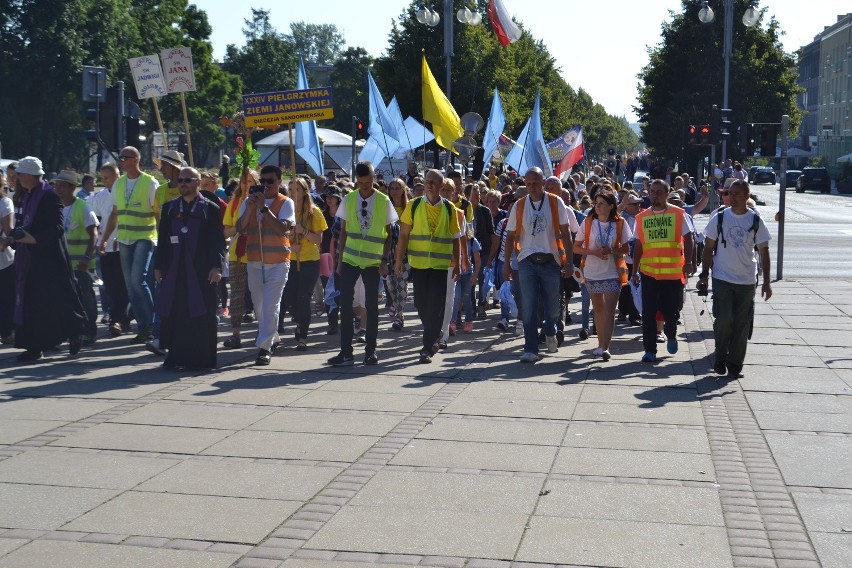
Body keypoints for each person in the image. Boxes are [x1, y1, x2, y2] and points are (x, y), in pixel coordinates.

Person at [1, 157, 85, 361]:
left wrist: (35, 239)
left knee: (60, 299)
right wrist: (13, 238)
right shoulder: (28, 195)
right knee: (32, 302)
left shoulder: (49, 196)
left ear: (30, 175)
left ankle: (75, 331)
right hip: (30, 258)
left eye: (20, 174)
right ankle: (34, 346)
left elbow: (57, 228)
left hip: (50, 257)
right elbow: (26, 224)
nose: (18, 177)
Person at [698, 179, 772, 378]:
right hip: (722, 277)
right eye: (730, 194)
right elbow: (708, 248)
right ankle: (720, 356)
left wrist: (766, 282)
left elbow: (764, 252)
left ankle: (735, 364)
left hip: (747, 280)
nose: (733, 197)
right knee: (723, 320)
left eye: (737, 194)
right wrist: (704, 275)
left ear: (747, 197)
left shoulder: (755, 220)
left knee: (741, 324)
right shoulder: (719, 218)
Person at [154, 167, 226, 370]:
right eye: (180, 180)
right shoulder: (169, 208)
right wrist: (159, 266)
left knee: (201, 313)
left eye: (187, 180)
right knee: (175, 313)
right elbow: (163, 241)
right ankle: (175, 356)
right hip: (175, 269)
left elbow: (217, 242)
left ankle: (201, 359)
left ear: (198, 182)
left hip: (201, 270)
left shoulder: (209, 209)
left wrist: (216, 267)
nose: (182, 183)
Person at [328, 161, 396, 367]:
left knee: (372, 307)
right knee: (345, 306)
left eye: (368, 183)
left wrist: (385, 260)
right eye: (360, 183)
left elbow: (390, 234)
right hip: (350, 259)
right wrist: (339, 261)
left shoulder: (384, 201)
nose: (364, 187)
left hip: (373, 262)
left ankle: (370, 351)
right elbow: (344, 232)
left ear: (374, 179)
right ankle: (346, 352)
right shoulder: (348, 199)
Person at [503, 167, 574, 363]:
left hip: (551, 261)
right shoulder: (519, 205)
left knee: (552, 306)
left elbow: (566, 234)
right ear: (524, 184)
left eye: (536, 183)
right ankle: (530, 348)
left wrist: (569, 262)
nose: (532, 187)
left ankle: (551, 329)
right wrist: (507, 264)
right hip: (526, 261)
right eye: (528, 184)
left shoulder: (555, 202)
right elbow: (509, 237)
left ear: (543, 183)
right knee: (528, 305)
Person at [395, 169, 462, 363]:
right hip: (419, 264)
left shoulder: (449, 209)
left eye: (434, 182)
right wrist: (399, 260)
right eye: (427, 181)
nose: (430, 184)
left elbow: (456, 238)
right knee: (420, 304)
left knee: (435, 304)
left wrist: (457, 263)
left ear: (442, 186)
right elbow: (404, 235)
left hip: (440, 265)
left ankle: (428, 346)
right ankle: (434, 333)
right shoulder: (414, 205)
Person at [98, 146, 159, 344]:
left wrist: (162, 241)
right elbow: (115, 214)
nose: (121, 161)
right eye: (120, 158)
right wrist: (105, 238)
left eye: (124, 158)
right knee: (130, 286)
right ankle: (143, 327)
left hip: (144, 237)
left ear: (135, 159)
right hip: (123, 239)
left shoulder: (150, 183)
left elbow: (157, 215)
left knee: (137, 280)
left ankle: (152, 323)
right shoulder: (119, 184)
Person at [235, 165, 295, 366]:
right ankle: (272, 337)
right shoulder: (248, 201)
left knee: (271, 306)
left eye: (271, 181)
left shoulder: (286, 203)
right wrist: (252, 207)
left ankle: (264, 348)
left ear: (279, 182)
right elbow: (239, 227)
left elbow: (281, 228)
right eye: (264, 181)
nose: (266, 185)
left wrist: (263, 209)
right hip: (254, 262)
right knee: (260, 307)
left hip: (278, 263)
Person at [632, 179, 695, 362]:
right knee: (648, 312)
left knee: (671, 312)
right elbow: (638, 246)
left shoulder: (677, 214)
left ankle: (671, 334)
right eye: (652, 191)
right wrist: (635, 271)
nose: (655, 195)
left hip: (672, 274)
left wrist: (689, 262)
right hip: (649, 273)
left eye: (659, 192)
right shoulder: (642, 217)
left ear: (667, 194)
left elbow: (689, 238)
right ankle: (649, 350)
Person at [573, 191, 632, 361]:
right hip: (592, 271)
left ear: (611, 206)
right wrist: (594, 252)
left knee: (610, 309)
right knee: (598, 309)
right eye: (596, 203)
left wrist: (612, 250)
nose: (597, 206)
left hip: (613, 271)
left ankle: (606, 347)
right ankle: (600, 344)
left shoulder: (620, 223)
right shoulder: (588, 222)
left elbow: (626, 249)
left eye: (601, 203)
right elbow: (576, 247)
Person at [52, 170, 99, 345]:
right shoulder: (55, 205)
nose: (58, 188)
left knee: (85, 297)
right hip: (62, 263)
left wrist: (87, 257)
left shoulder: (82, 206)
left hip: (81, 264)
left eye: (62, 185)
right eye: (56, 185)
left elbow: (93, 233)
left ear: (72, 188)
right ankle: (66, 332)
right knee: (63, 299)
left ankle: (89, 331)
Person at [285, 177, 327, 350]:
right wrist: (290, 244)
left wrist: (303, 230)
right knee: (289, 298)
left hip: (309, 260)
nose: (292, 193)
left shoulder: (314, 212)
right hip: (291, 260)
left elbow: (318, 239)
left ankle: (303, 337)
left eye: (296, 189)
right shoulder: (285, 210)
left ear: (304, 191)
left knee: (303, 297)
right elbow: (279, 235)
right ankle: (300, 321)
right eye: (290, 189)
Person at [90, 163, 130, 337]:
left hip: (125, 244)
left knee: (123, 284)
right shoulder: (98, 198)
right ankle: (121, 318)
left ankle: (118, 319)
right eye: (103, 178)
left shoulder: (126, 192)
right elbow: (96, 222)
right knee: (111, 286)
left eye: (108, 178)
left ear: (117, 175)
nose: (105, 181)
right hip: (106, 246)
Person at [221, 169, 257, 349]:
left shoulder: (264, 202)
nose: (247, 184)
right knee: (236, 296)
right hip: (238, 253)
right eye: (245, 181)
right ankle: (235, 334)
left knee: (259, 297)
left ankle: (264, 334)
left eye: (251, 181)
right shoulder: (234, 203)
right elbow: (226, 231)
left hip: (259, 255)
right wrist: (239, 227)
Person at [386, 177, 409, 331]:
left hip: (405, 251)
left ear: (403, 190)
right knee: (390, 284)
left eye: (397, 188)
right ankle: (395, 305)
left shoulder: (409, 208)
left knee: (401, 284)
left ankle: (399, 316)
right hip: (388, 251)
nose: (394, 191)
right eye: (392, 188)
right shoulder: (386, 208)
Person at [0, 179, 15, 344]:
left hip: (3, 260)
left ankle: (6, 331)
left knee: (5, 298)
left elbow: (8, 229)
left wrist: (4, 241)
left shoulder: (4, 202)